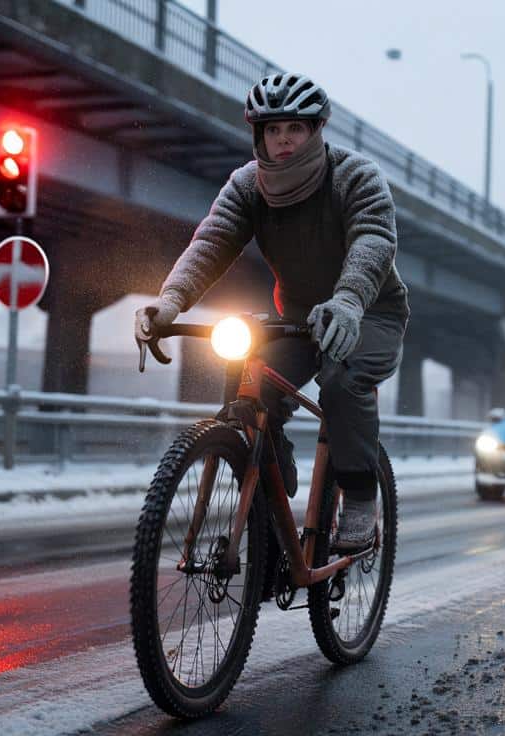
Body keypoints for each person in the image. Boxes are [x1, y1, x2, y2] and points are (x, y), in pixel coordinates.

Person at [135, 73, 409, 552]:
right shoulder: (246, 186)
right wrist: (170, 301)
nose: (283, 141)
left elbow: (373, 241)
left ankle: (361, 497)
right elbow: (212, 241)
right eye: (272, 131)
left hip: (369, 313)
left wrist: (347, 301)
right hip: (299, 316)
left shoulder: (356, 176)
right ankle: (270, 488)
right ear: (258, 135)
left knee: (342, 383)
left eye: (295, 130)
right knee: (247, 383)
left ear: (316, 130)